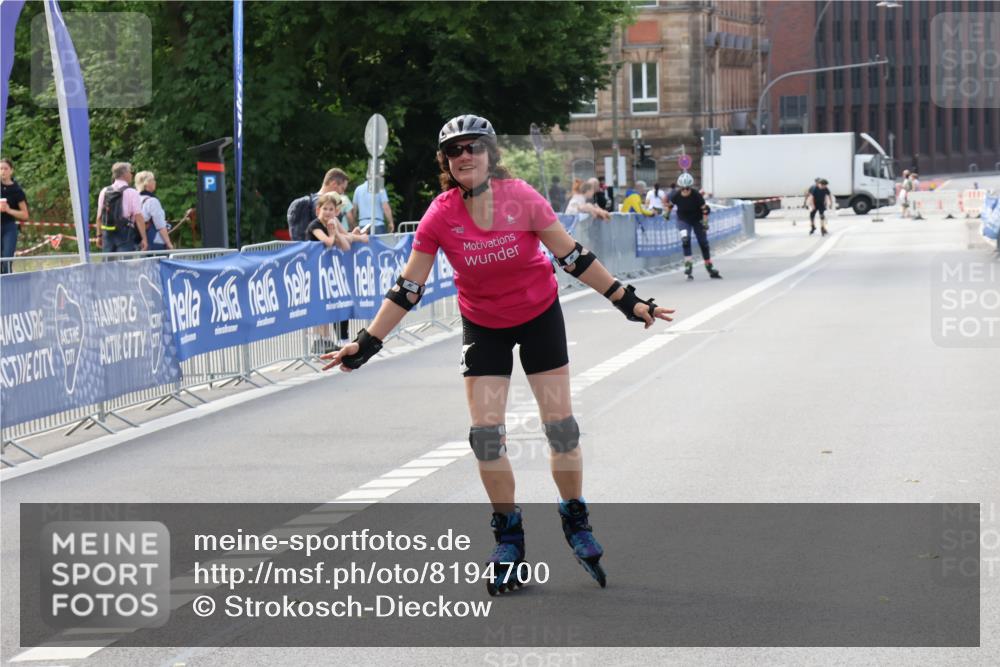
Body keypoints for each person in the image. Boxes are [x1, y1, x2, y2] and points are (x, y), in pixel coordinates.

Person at [321, 114, 674, 594]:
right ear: (446, 162)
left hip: (538, 316)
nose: (464, 155)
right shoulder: (441, 214)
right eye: (455, 150)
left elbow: (572, 257)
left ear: (490, 154)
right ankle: (509, 537)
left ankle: (575, 517)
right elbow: (408, 288)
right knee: (486, 438)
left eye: (473, 147)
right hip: (484, 326)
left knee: (561, 428)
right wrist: (366, 343)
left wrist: (627, 301)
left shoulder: (521, 198)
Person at [306, 192, 368, 353]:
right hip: (314, 270)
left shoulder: (332, 223)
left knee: (328, 304)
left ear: (336, 212)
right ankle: (319, 341)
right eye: (325, 209)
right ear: (318, 210)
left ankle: (326, 341)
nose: (328, 212)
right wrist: (333, 234)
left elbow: (345, 246)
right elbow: (327, 242)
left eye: (331, 209)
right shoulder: (315, 225)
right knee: (319, 305)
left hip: (327, 273)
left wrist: (341, 234)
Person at [666, 172, 721, 279]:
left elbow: (705, 210)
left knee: (703, 243)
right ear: (680, 187)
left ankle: (709, 266)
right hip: (683, 220)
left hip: (697, 219)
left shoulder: (696, 195)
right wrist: (666, 214)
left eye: (687, 188)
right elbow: (670, 206)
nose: (685, 190)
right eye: (683, 188)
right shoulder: (676, 195)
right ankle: (688, 265)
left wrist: (705, 223)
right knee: (685, 240)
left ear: (690, 187)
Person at [96, 162, 147, 253]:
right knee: (124, 261)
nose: (131, 175)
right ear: (125, 174)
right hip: (125, 233)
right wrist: (144, 238)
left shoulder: (104, 191)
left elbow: (99, 217)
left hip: (107, 232)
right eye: (130, 172)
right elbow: (138, 217)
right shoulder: (132, 192)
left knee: (108, 261)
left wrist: (99, 235)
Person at [0, 158, 30, 274]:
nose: (3, 171)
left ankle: (8, 282)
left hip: (9, 227)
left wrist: (8, 210)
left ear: (11, 171)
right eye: (0, 169)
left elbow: (25, 215)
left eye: (5, 169)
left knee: (6, 260)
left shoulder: (17, 190)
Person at [134, 171, 175, 251]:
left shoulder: (134, 199)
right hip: (153, 239)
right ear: (147, 184)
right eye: (153, 180)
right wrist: (169, 243)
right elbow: (160, 225)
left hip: (136, 238)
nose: (155, 182)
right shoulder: (152, 201)